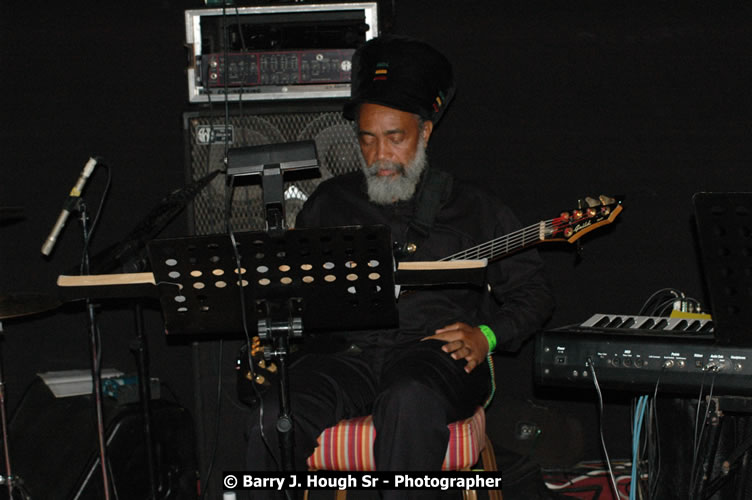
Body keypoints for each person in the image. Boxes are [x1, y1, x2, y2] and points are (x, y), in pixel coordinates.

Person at [245, 34, 555, 498]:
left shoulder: (474, 208)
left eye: (395, 138)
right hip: (348, 359)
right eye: (368, 140)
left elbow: (534, 295)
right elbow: (293, 291)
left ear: (425, 132)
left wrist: (486, 336)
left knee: (408, 400)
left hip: (435, 359)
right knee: (275, 412)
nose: (380, 156)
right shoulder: (331, 202)